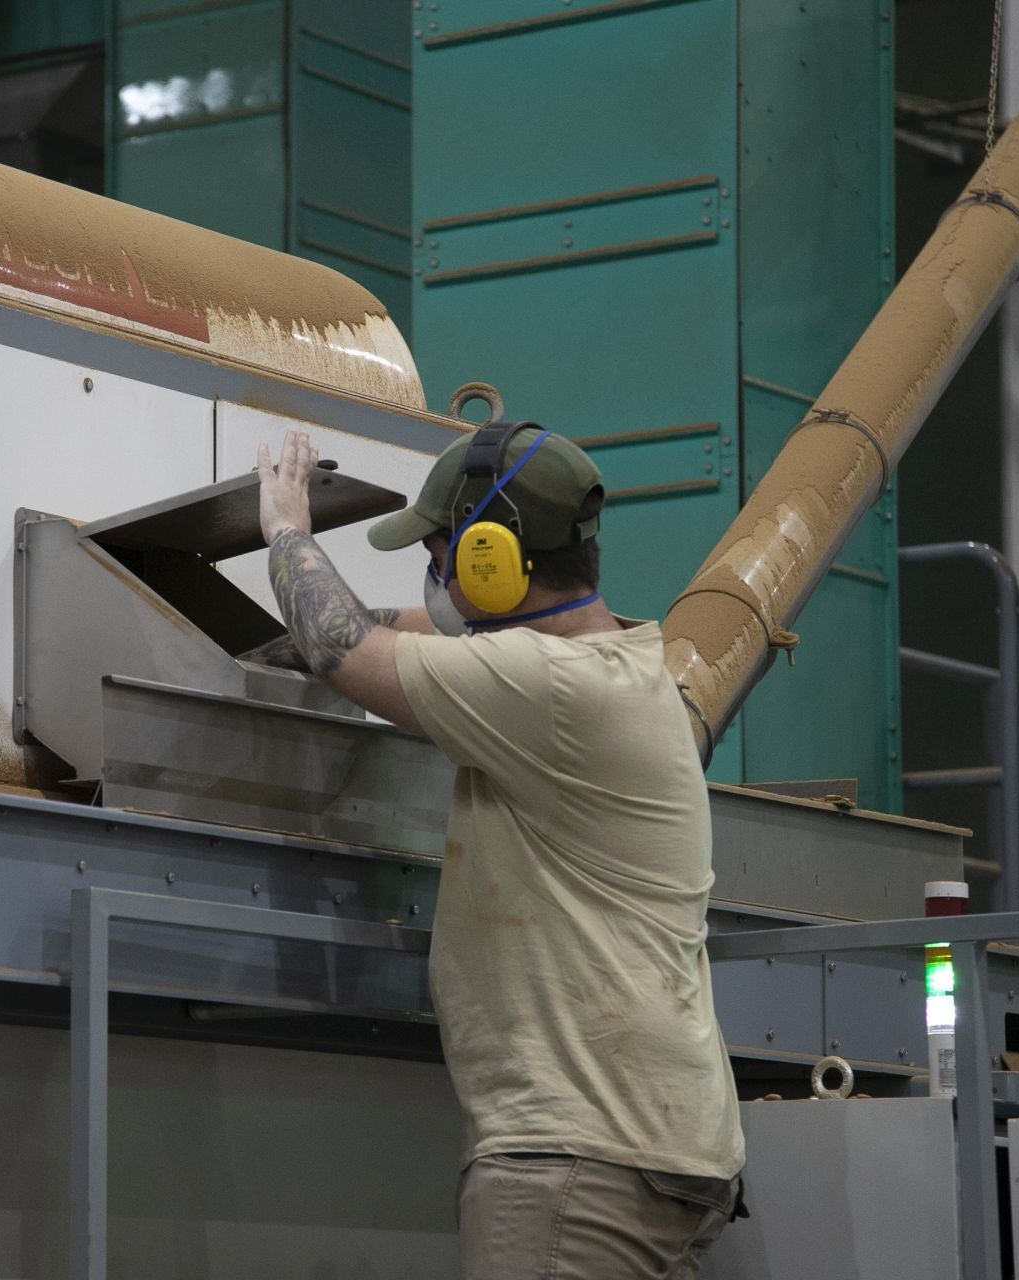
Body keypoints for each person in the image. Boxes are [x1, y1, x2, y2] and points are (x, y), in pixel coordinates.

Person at [252, 424, 744, 1279]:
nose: (435, 577)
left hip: (579, 1155)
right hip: (650, 1144)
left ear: (492, 557)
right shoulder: (613, 659)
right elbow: (376, 630)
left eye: (440, 554)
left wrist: (286, 532)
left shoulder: (550, 686)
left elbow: (343, 647)